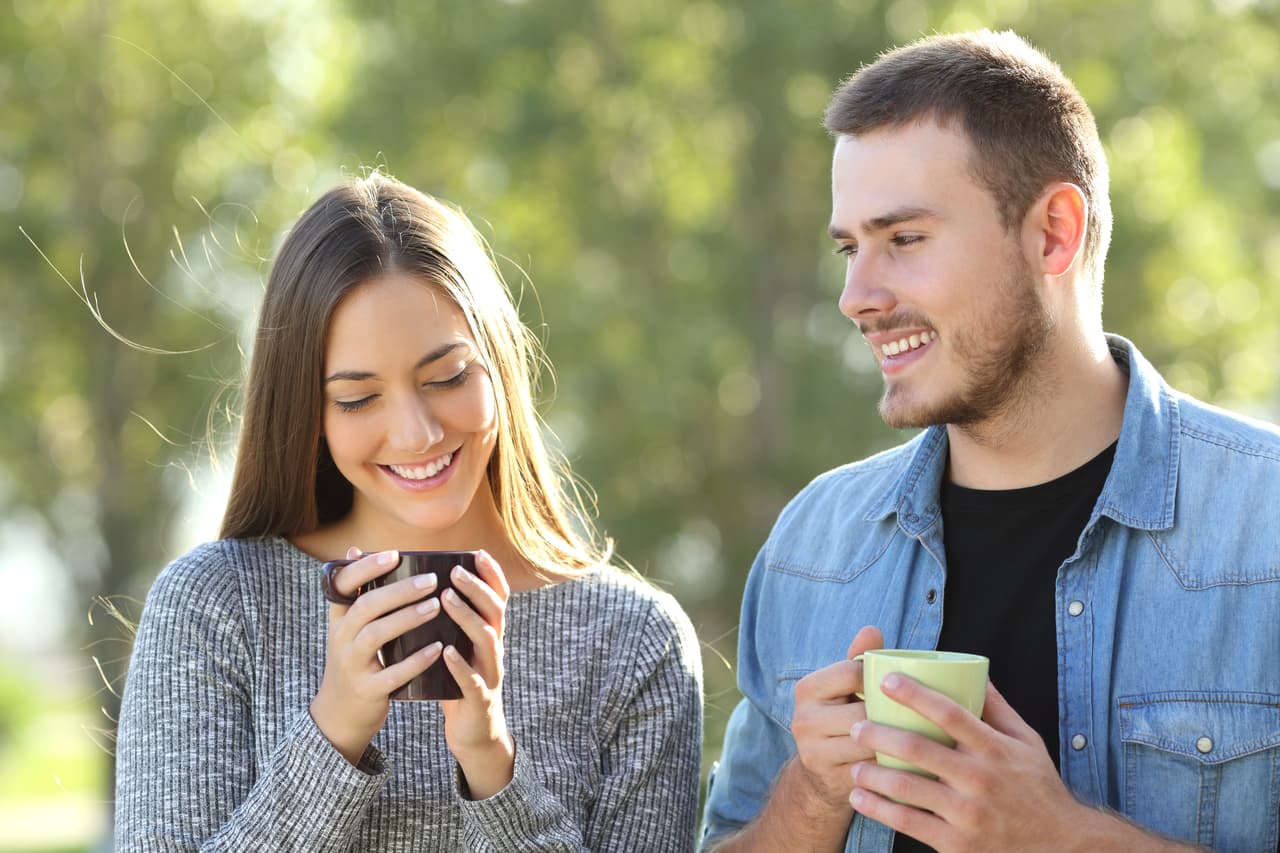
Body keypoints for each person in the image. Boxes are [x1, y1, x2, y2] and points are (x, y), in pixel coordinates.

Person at [700, 30, 1280, 853]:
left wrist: (1060, 838)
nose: (856, 297)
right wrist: (815, 791)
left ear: (1052, 234)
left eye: (903, 240)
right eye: (848, 248)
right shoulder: (811, 546)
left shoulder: (1267, 527)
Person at [114, 173, 703, 851]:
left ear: (500, 367)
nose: (418, 432)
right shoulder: (217, 605)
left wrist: (491, 763)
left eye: (447, 377)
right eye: (359, 397)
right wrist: (332, 733)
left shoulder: (633, 641)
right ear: (310, 414)